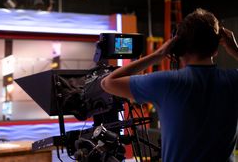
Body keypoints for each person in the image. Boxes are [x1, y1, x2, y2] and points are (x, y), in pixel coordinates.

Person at [101, 8, 238, 162]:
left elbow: (108, 83)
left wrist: (157, 55)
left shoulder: (166, 82)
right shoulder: (233, 80)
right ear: (216, 50)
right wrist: (235, 50)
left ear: (178, 47)